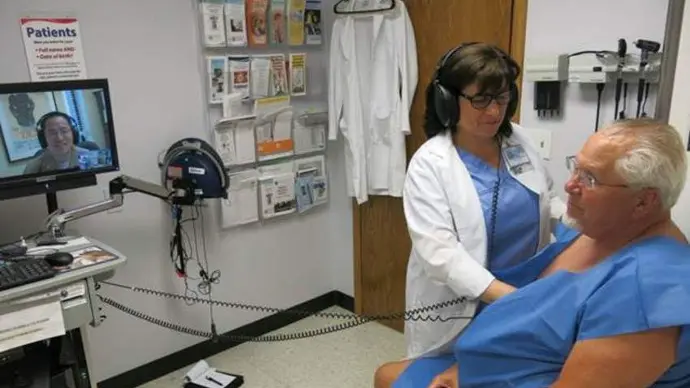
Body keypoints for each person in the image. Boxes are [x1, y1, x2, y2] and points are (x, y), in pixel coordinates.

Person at [377, 118, 690, 387]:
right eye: (575, 167)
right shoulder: (601, 234)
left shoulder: (645, 292)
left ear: (644, 202)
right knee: (386, 374)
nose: (570, 185)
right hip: (492, 366)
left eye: (589, 178)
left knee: (389, 377)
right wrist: (469, 366)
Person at [403, 42, 565, 359]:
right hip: (463, 304)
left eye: (502, 98)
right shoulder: (430, 163)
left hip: (524, 296)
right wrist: (511, 298)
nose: (494, 111)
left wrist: (588, 225)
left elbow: (550, 201)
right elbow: (440, 253)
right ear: (447, 100)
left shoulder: (519, 139)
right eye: (480, 99)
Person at [24, 111, 89, 175]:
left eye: (64, 131)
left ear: (73, 133)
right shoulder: (33, 168)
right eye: (52, 133)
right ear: (43, 138)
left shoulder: (90, 158)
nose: (59, 138)